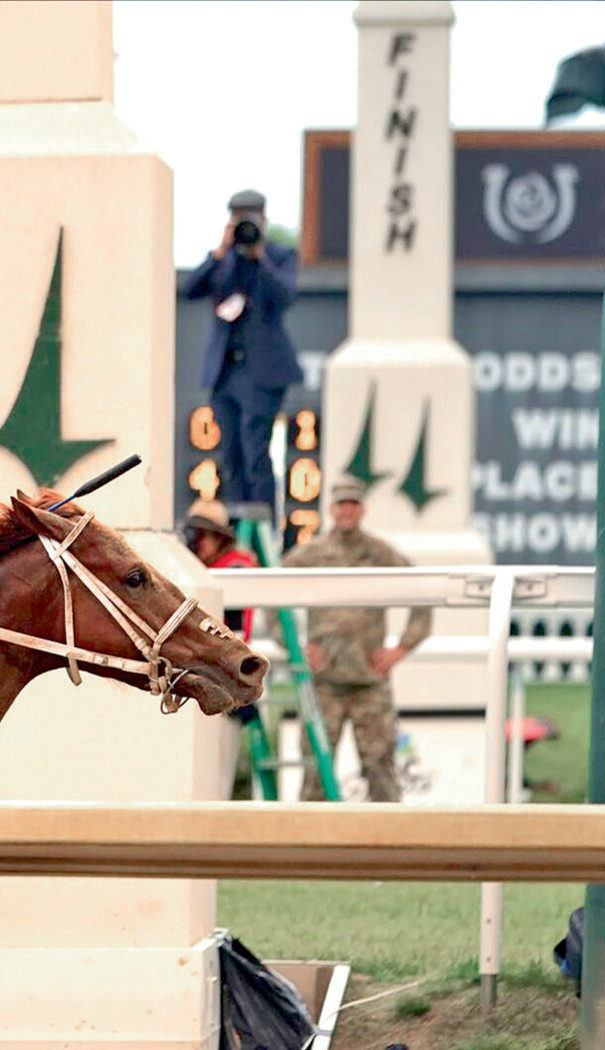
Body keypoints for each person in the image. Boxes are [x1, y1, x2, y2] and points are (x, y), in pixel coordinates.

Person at [281, 478, 431, 802]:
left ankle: (389, 834)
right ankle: (308, 835)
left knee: (380, 770)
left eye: (353, 504)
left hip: (369, 682)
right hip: (324, 682)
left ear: (363, 509)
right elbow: (269, 594)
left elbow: (424, 590)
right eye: (342, 504)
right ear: (331, 509)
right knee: (316, 773)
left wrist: (402, 647)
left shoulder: (380, 553)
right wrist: (294, 646)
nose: (347, 511)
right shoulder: (312, 554)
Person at [181, 188, 302, 525]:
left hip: (262, 372)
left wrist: (259, 258)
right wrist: (220, 252)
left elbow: (286, 296)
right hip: (225, 372)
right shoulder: (224, 259)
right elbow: (189, 289)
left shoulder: (279, 256)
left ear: (264, 219)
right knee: (230, 455)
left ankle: (261, 526)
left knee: (255, 452)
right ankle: (234, 526)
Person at [182, 498, 259, 638]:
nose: (195, 541)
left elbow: (235, 630)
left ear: (219, 537)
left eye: (201, 534)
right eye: (193, 533)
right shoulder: (199, 565)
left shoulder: (236, 566)